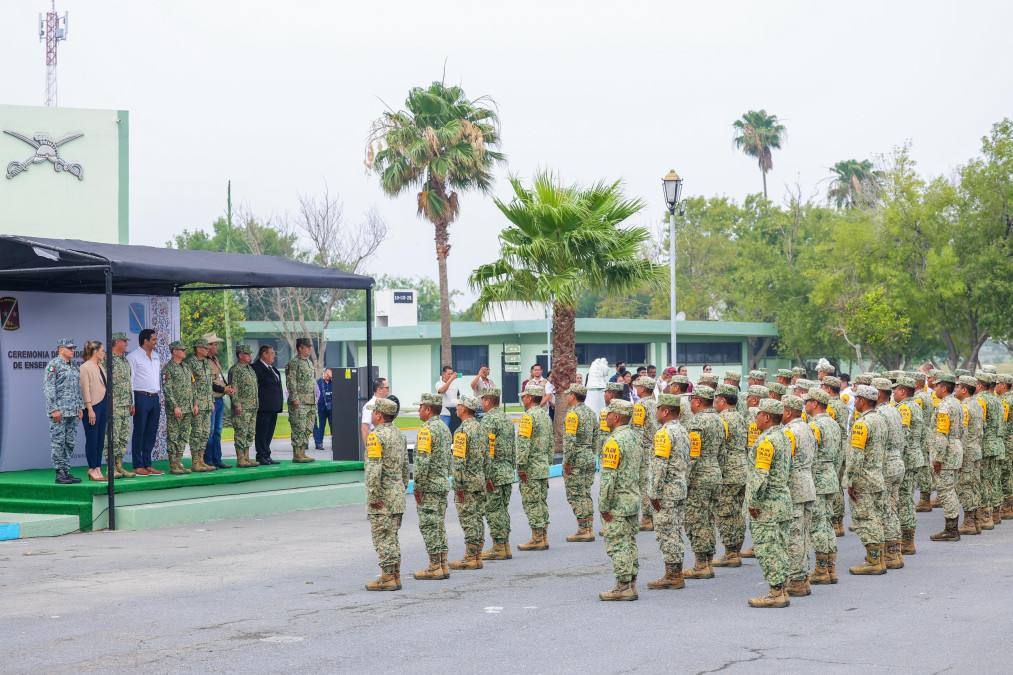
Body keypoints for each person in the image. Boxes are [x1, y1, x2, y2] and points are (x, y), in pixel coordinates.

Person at [745, 399, 793, 608]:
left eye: (758, 414)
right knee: (780, 547)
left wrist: (753, 502)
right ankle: (781, 589)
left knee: (768, 549)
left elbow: (760, 475)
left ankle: (775, 593)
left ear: (766, 417)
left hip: (768, 504)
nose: (755, 417)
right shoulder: (783, 437)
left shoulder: (766, 441)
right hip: (782, 500)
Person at [598, 399, 643, 601]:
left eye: (608, 414)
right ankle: (631, 584)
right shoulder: (634, 437)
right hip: (632, 499)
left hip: (617, 502)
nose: (606, 417)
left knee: (618, 544)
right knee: (629, 542)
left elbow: (608, 478)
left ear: (616, 417)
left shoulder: (613, 441)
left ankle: (623, 586)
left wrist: (603, 505)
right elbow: (641, 470)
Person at [363, 398, 409, 591]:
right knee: (392, 536)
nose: (372, 415)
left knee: (383, 538)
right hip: (397, 494)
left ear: (379, 415)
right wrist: (402, 488)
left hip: (382, 497)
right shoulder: (399, 434)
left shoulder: (375, 436)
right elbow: (406, 467)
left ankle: (388, 577)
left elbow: (374, 470)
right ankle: (395, 575)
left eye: (374, 412)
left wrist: (373, 497)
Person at [646, 393, 690, 590]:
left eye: (658, 409)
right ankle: (676, 572)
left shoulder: (664, 433)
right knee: (675, 531)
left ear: (665, 411)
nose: (656, 412)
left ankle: (673, 575)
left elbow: (659, 465)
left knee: (667, 532)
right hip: (679, 488)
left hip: (667, 492)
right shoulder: (682, 431)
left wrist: (654, 492)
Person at [845, 385, 888, 573]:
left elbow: (855, 457)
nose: (854, 402)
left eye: (857, 399)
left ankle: (874, 562)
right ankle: (879, 559)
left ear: (863, 400)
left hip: (863, 479)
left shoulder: (861, 424)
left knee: (864, 520)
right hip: (877, 476)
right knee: (876, 518)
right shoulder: (880, 420)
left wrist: (851, 482)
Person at [683, 385, 724, 580]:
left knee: (696, 520)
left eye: (692, 399)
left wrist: (687, 481)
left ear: (698, 401)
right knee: (709, 519)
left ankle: (701, 564)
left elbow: (693, 456)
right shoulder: (718, 420)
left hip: (700, 476)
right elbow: (722, 452)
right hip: (715, 473)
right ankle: (708, 561)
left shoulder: (697, 423)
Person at [780, 395, 817, 597]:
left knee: (793, 536)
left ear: (787, 412)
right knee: (803, 535)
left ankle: (796, 579)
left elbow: (785, 463)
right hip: (808, 484)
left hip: (794, 487)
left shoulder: (790, 432)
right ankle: (803, 577)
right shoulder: (807, 427)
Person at [412, 393, 452, 579]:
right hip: (442, 482)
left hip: (429, 486)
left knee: (429, 525)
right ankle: (443, 564)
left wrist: (417, 486)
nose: (419, 411)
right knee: (439, 525)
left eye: (420, 407)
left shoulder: (426, 430)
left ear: (428, 410)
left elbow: (421, 462)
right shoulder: (444, 428)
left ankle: (434, 565)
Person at [804, 388, 843, 585]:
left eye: (807, 401)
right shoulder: (833, 424)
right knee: (827, 523)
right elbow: (839, 455)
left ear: (815, 404)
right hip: (830, 477)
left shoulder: (815, 426)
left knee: (818, 524)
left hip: (818, 479)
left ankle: (821, 569)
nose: (805, 405)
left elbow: (810, 457)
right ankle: (831, 568)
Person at [448, 395, 487, 570]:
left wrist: (458, 485)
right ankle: (477, 554)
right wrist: (488, 477)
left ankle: (471, 556)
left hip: (467, 483)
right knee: (478, 518)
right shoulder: (481, 429)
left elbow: (459, 461)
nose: (456, 408)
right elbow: (487, 458)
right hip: (479, 480)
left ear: (464, 409)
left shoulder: (462, 431)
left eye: (459, 406)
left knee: (469, 519)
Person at [713, 383, 748, 568]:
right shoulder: (741, 417)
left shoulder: (722, 419)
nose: (714, 403)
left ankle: (730, 552)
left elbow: (720, 446)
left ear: (723, 400)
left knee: (726, 512)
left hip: (728, 471)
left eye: (716, 399)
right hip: (742, 468)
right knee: (737, 512)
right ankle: (736, 549)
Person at [872, 377, 906, 567]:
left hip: (885, 464)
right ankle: (895, 552)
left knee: (884, 509)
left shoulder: (879, 414)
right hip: (896, 462)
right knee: (891, 507)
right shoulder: (894, 410)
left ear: (877, 394)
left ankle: (891, 555)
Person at [480, 387, 516, 561]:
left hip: (494, 473)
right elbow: (513, 447)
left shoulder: (488, 421)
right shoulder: (507, 419)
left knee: (494, 511)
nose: (481, 403)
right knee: (503, 510)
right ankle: (505, 545)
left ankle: (498, 546)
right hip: (507, 471)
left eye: (482, 400)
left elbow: (488, 451)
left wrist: (487, 475)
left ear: (487, 401)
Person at [516, 384, 553, 551]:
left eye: (524, 396)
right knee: (541, 502)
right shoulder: (545, 416)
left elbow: (523, 445)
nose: (522, 398)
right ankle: (543, 536)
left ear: (529, 398)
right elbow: (551, 444)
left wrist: (521, 467)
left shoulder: (528, 417)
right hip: (543, 465)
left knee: (532, 503)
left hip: (531, 467)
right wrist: (547, 462)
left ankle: (537, 538)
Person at [44, 338, 83, 485]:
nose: (73, 350)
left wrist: (80, 407)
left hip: (72, 411)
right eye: (69, 348)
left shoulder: (74, 365)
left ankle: (66, 471)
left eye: (73, 348)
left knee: (70, 442)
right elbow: (49, 388)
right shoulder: (53, 365)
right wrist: (53, 409)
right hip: (59, 411)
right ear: (61, 349)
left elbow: (77, 388)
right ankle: (59, 472)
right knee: (58, 442)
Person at [893, 376, 925, 555]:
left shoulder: (904, 408)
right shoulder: (915, 405)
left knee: (904, 500)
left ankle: (907, 541)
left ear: (903, 391)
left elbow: (903, 435)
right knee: (908, 499)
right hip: (915, 456)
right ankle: (908, 539)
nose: (893, 393)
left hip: (907, 457)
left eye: (895, 390)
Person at [562, 384, 596, 543]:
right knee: (586, 491)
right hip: (588, 455)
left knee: (576, 494)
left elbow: (570, 440)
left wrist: (567, 461)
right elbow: (596, 436)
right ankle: (589, 526)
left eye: (569, 394)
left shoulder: (572, 414)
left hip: (576, 457)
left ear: (573, 396)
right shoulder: (590, 412)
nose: (567, 396)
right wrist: (591, 452)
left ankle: (583, 530)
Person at [127, 328, 163, 476]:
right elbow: (130, 381)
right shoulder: (133, 357)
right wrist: (132, 402)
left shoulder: (155, 356)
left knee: (151, 433)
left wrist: (159, 398)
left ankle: (148, 464)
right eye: (153, 339)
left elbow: (158, 379)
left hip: (154, 398)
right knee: (139, 432)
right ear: (145, 340)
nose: (156, 342)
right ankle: (138, 465)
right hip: (140, 397)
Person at [954, 375, 983, 535]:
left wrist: (960, 455)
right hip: (976, 448)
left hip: (967, 451)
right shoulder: (977, 404)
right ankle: (976, 521)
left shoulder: (964, 407)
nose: (956, 389)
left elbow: (963, 433)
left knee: (965, 486)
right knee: (974, 484)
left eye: (958, 387)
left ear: (964, 389)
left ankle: (969, 522)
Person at [183, 338, 216, 473]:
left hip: (207, 403)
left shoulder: (205, 362)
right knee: (196, 433)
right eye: (204, 347)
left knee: (205, 433)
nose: (207, 349)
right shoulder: (190, 363)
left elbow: (208, 384)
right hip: (198, 404)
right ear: (197, 348)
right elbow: (190, 385)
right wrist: (194, 403)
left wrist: (212, 401)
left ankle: (201, 460)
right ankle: (195, 461)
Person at [161, 341, 194, 475]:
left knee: (183, 436)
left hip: (188, 408)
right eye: (182, 350)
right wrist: (175, 406)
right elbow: (167, 389)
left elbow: (192, 386)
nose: (185, 352)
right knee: (173, 436)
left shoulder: (186, 367)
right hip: (176, 409)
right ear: (175, 351)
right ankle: (172, 464)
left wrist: (194, 403)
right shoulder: (167, 369)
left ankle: (179, 461)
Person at [631, 377, 659, 531]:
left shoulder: (640, 405)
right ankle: (650, 516)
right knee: (650, 481)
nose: (637, 388)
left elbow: (638, 429)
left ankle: (648, 517)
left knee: (644, 484)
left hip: (644, 448)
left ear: (642, 389)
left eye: (639, 386)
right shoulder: (655, 404)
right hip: (654, 447)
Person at [79, 340, 109, 481]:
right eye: (102, 350)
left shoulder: (100, 366)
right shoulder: (85, 367)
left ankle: (98, 467)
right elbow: (85, 390)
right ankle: (92, 468)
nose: (104, 353)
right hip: (93, 406)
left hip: (103, 405)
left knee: (100, 439)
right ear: (95, 351)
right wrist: (89, 409)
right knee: (92, 438)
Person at [202, 334, 233, 469]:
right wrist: (223, 388)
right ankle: (207, 459)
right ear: (208, 346)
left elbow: (220, 378)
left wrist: (227, 387)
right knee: (209, 431)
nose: (217, 347)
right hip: (211, 399)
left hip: (219, 399)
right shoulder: (204, 362)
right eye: (215, 344)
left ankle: (217, 459)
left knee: (218, 431)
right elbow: (208, 383)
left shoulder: (215, 360)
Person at [285, 337, 317, 463]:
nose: (310, 349)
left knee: (307, 428)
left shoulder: (309, 363)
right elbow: (291, 381)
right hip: (299, 402)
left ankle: (302, 452)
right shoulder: (294, 363)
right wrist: (294, 398)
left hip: (310, 402)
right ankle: (296, 454)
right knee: (298, 427)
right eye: (307, 347)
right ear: (300, 348)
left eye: (310, 347)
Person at [228, 345, 260, 468]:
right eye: (247, 354)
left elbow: (254, 388)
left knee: (249, 432)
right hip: (242, 407)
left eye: (250, 354)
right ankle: (240, 458)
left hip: (252, 406)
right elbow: (233, 388)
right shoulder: (235, 370)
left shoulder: (250, 369)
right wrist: (237, 404)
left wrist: (256, 403)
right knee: (241, 432)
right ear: (240, 355)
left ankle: (246, 456)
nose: (250, 356)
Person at [110, 332, 135, 479]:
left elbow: (128, 383)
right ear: (118, 342)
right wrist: (110, 404)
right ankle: (111, 467)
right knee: (112, 437)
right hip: (115, 405)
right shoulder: (108, 360)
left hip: (126, 404)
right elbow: (106, 384)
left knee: (123, 437)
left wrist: (131, 402)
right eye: (124, 342)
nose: (126, 344)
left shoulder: (125, 361)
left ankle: (119, 466)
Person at [252, 345, 283, 465]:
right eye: (271, 353)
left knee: (269, 432)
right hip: (263, 407)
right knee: (262, 432)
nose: (274, 355)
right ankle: (260, 456)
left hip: (273, 407)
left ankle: (266, 454)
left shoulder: (273, 369)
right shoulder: (256, 368)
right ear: (264, 354)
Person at [361, 378, 390, 449]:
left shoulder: (388, 404)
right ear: (379, 390)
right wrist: (369, 448)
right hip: (376, 446)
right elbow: (365, 428)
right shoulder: (370, 406)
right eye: (387, 388)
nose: (389, 390)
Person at [313, 368, 333, 450]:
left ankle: (335, 443)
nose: (328, 375)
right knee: (322, 425)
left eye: (330, 374)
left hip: (332, 407)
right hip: (322, 407)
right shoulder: (319, 382)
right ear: (324, 373)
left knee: (333, 426)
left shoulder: (334, 382)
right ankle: (319, 443)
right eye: (327, 373)